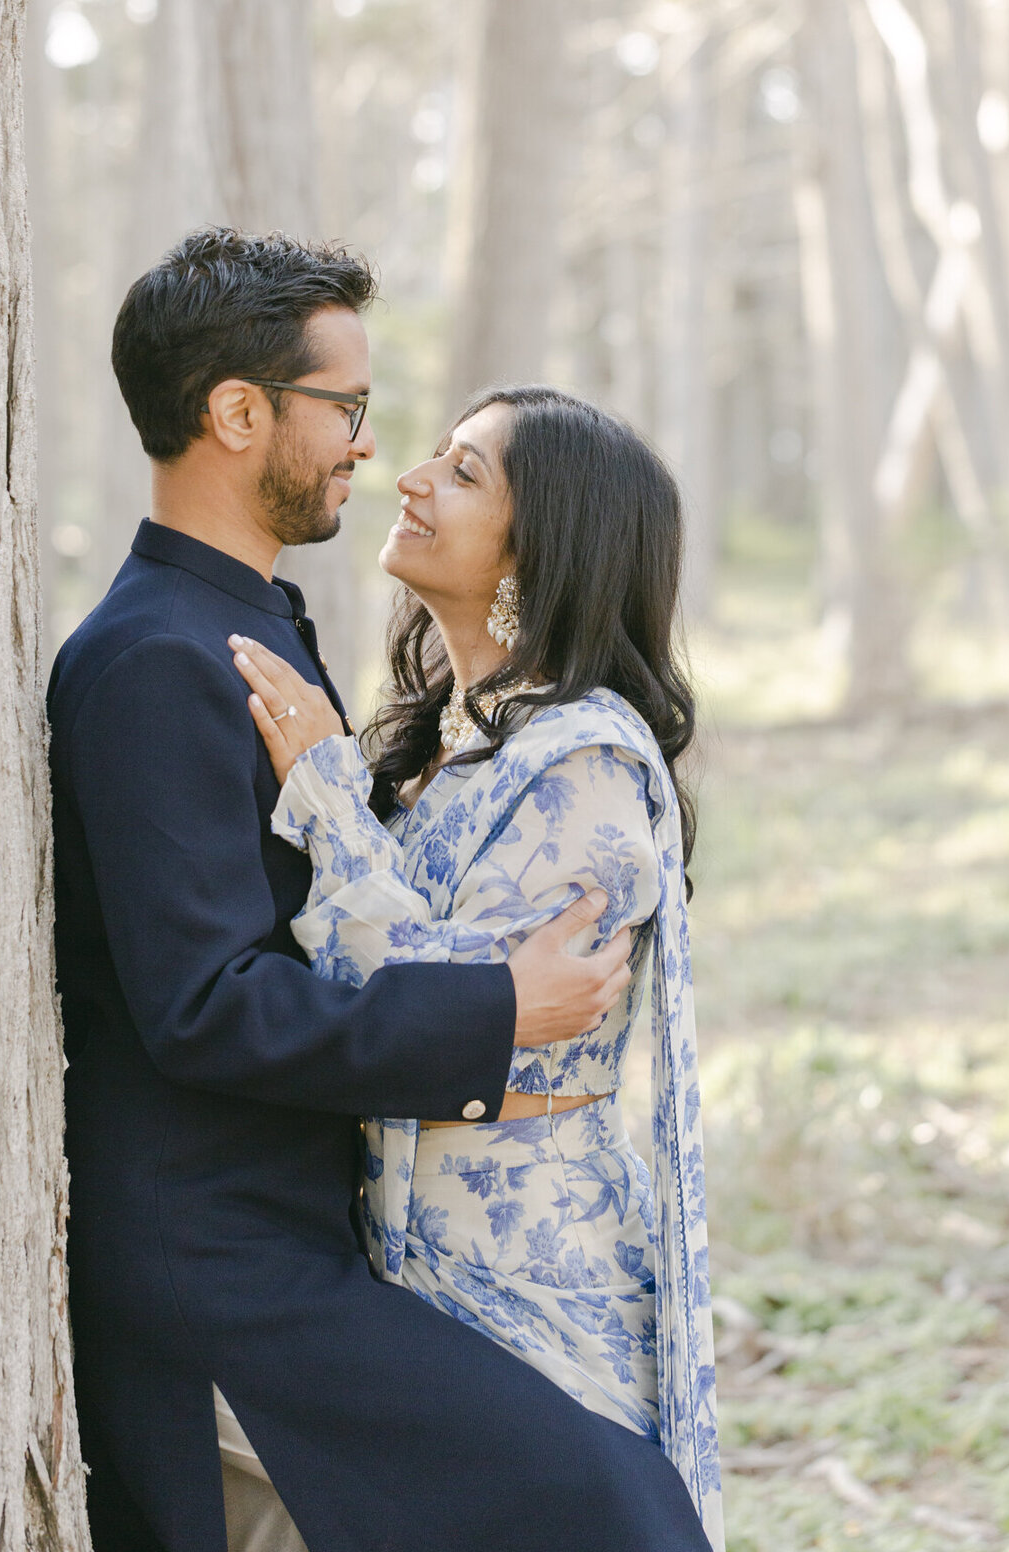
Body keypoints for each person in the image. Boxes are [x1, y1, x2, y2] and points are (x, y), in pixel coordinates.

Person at [48, 227, 713, 1552]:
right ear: (240, 413)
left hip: (324, 1249)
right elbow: (206, 1007)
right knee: (610, 1514)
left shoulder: (252, 629)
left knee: (618, 1505)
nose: (370, 444)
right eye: (347, 408)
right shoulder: (150, 661)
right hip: (226, 1273)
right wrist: (491, 1011)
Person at [228, 385, 723, 1550]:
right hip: (403, 1269)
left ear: (539, 545)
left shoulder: (587, 767)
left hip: (535, 1277)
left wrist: (325, 800)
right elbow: (446, 995)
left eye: (461, 472)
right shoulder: (442, 743)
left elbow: (426, 1002)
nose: (409, 478)